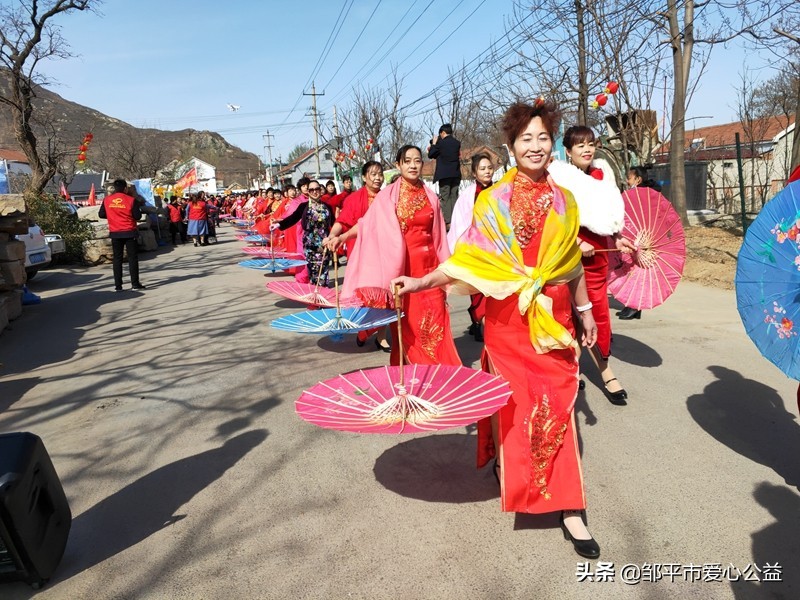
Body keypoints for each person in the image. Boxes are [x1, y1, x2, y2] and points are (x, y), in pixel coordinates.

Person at [391, 99, 602, 558]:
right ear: (511, 145)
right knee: (518, 404)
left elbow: (569, 266)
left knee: (558, 404)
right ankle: (513, 470)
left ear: (554, 145)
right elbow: (469, 262)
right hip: (507, 321)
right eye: (526, 138)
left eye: (543, 137)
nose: (536, 146)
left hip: (553, 317)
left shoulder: (566, 200)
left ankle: (569, 507)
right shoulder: (494, 201)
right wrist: (423, 280)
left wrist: (585, 310)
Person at [342, 145, 461, 367]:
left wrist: (446, 270)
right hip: (404, 272)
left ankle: (439, 374)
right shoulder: (387, 197)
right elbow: (367, 225)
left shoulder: (431, 197)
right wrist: (342, 237)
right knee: (410, 327)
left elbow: (438, 238)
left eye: (417, 161)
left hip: (430, 271)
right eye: (408, 161)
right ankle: (416, 375)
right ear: (398, 165)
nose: (413, 165)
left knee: (436, 323)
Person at [552, 125, 635, 405]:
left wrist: (619, 238)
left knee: (598, 314)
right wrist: (576, 241)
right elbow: (554, 218)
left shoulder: (604, 175)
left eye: (590, 144)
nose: (587, 150)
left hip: (599, 257)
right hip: (569, 256)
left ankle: (596, 368)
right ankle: (584, 369)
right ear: (568, 151)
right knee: (568, 316)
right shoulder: (559, 177)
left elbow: (610, 217)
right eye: (580, 145)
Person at [323, 161, 388, 351]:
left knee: (385, 295)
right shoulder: (354, 199)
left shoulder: (388, 197)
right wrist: (332, 235)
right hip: (361, 253)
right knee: (365, 295)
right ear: (364, 177)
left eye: (380, 174)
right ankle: (364, 329)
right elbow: (342, 222)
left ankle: (381, 336)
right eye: (373, 174)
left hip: (385, 252)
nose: (377, 178)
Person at [446, 152, 496, 342]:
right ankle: (480, 322)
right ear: (474, 173)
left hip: (496, 253)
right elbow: (460, 224)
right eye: (482, 169)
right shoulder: (467, 196)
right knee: (477, 293)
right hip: (476, 253)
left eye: (489, 168)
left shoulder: (500, 191)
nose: (487, 172)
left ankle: (487, 326)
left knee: (493, 293)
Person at [616, 166, 661, 320]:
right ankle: (632, 305)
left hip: (644, 238)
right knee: (631, 271)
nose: (627, 181)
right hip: (638, 236)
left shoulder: (644, 195)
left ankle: (635, 306)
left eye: (629, 178)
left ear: (638, 179)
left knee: (637, 272)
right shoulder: (639, 194)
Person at [271, 180, 334, 286]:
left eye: (317, 189)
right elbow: (293, 218)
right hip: (310, 245)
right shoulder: (303, 206)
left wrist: (338, 237)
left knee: (323, 273)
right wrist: (278, 225)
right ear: (308, 192)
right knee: (314, 273)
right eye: (311, 190)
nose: (315, 192)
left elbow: (335, 224)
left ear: (321, 190)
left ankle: (322, 295)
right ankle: (314, 300)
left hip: (325, 245)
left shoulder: (327, 207)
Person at [98, 178, 145, 291]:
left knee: (117, 259)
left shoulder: (107, 200)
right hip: (130, 231)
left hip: (115, 232)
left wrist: (113, 216)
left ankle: (118, 286)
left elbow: (101, 214)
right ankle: (135, 284)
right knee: (132, 258)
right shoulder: (131, 200)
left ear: (114, 188)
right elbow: (138, 216)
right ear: (125, 188)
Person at [427, 123, 461, 226]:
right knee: (454, 196)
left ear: (443, 132)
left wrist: (433, 144)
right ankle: (456, 219)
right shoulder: (457, 143)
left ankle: (448, 221)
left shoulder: (440, 144)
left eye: (440, 134)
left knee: (445, 197)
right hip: (455, 174)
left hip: (444, 175)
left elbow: (431, 154)